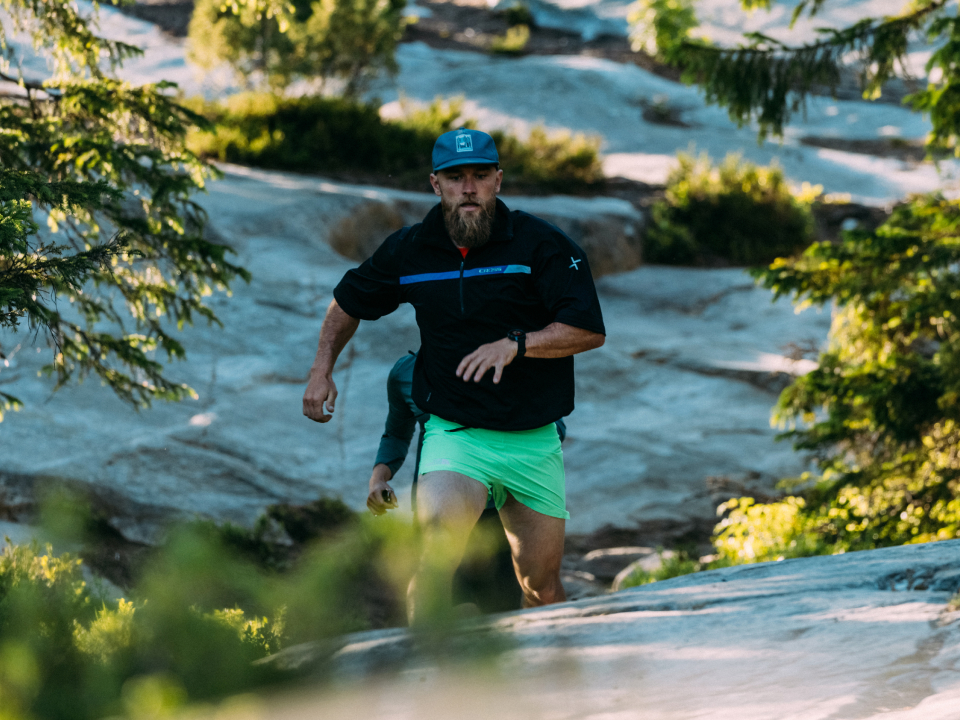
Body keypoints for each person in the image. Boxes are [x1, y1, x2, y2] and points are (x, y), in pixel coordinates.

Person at [303, 127, 606, 622]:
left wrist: (518, 344)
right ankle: (426, 667)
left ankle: (552, 668)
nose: (468, 188)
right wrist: (322, 369)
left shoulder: (541, 244)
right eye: (455, 177)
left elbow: (588, 329)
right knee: (434, 561)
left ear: (498, 180)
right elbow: (348, 301)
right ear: (435, 184)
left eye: (480, 176)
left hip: (533, 440)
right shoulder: (411, 249)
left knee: (541, 586)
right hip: (456, 437)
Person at [366, 351, 567, 613]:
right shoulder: (405, 372)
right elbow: (395, 433)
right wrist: (378, 479)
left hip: (500, 511)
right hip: (438, 501)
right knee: (439, 601)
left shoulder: (507, 364)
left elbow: (554, 426)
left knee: (502, 610)